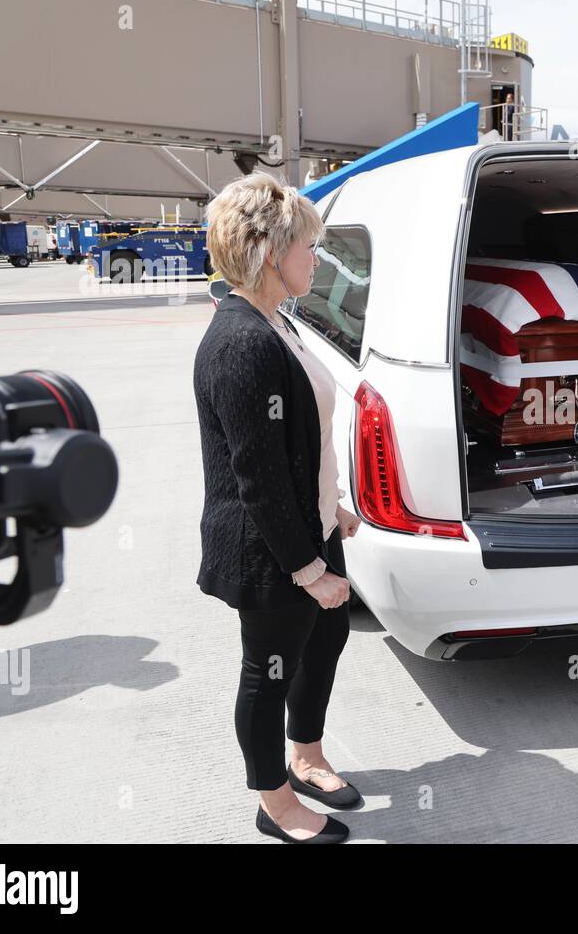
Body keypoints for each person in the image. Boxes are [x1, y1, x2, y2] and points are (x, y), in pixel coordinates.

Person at [193, 172, 363, 843]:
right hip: (272, 549)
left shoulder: (276, 323)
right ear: (269, 251)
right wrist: (306, 566)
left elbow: (298, 440)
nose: (316, 260)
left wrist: (335, 505)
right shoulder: (241, 342)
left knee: (326, 641)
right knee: (268, 670)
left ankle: (307, 755)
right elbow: (257, 478)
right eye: (309, 247)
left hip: (311, 524)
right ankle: (275, 800)